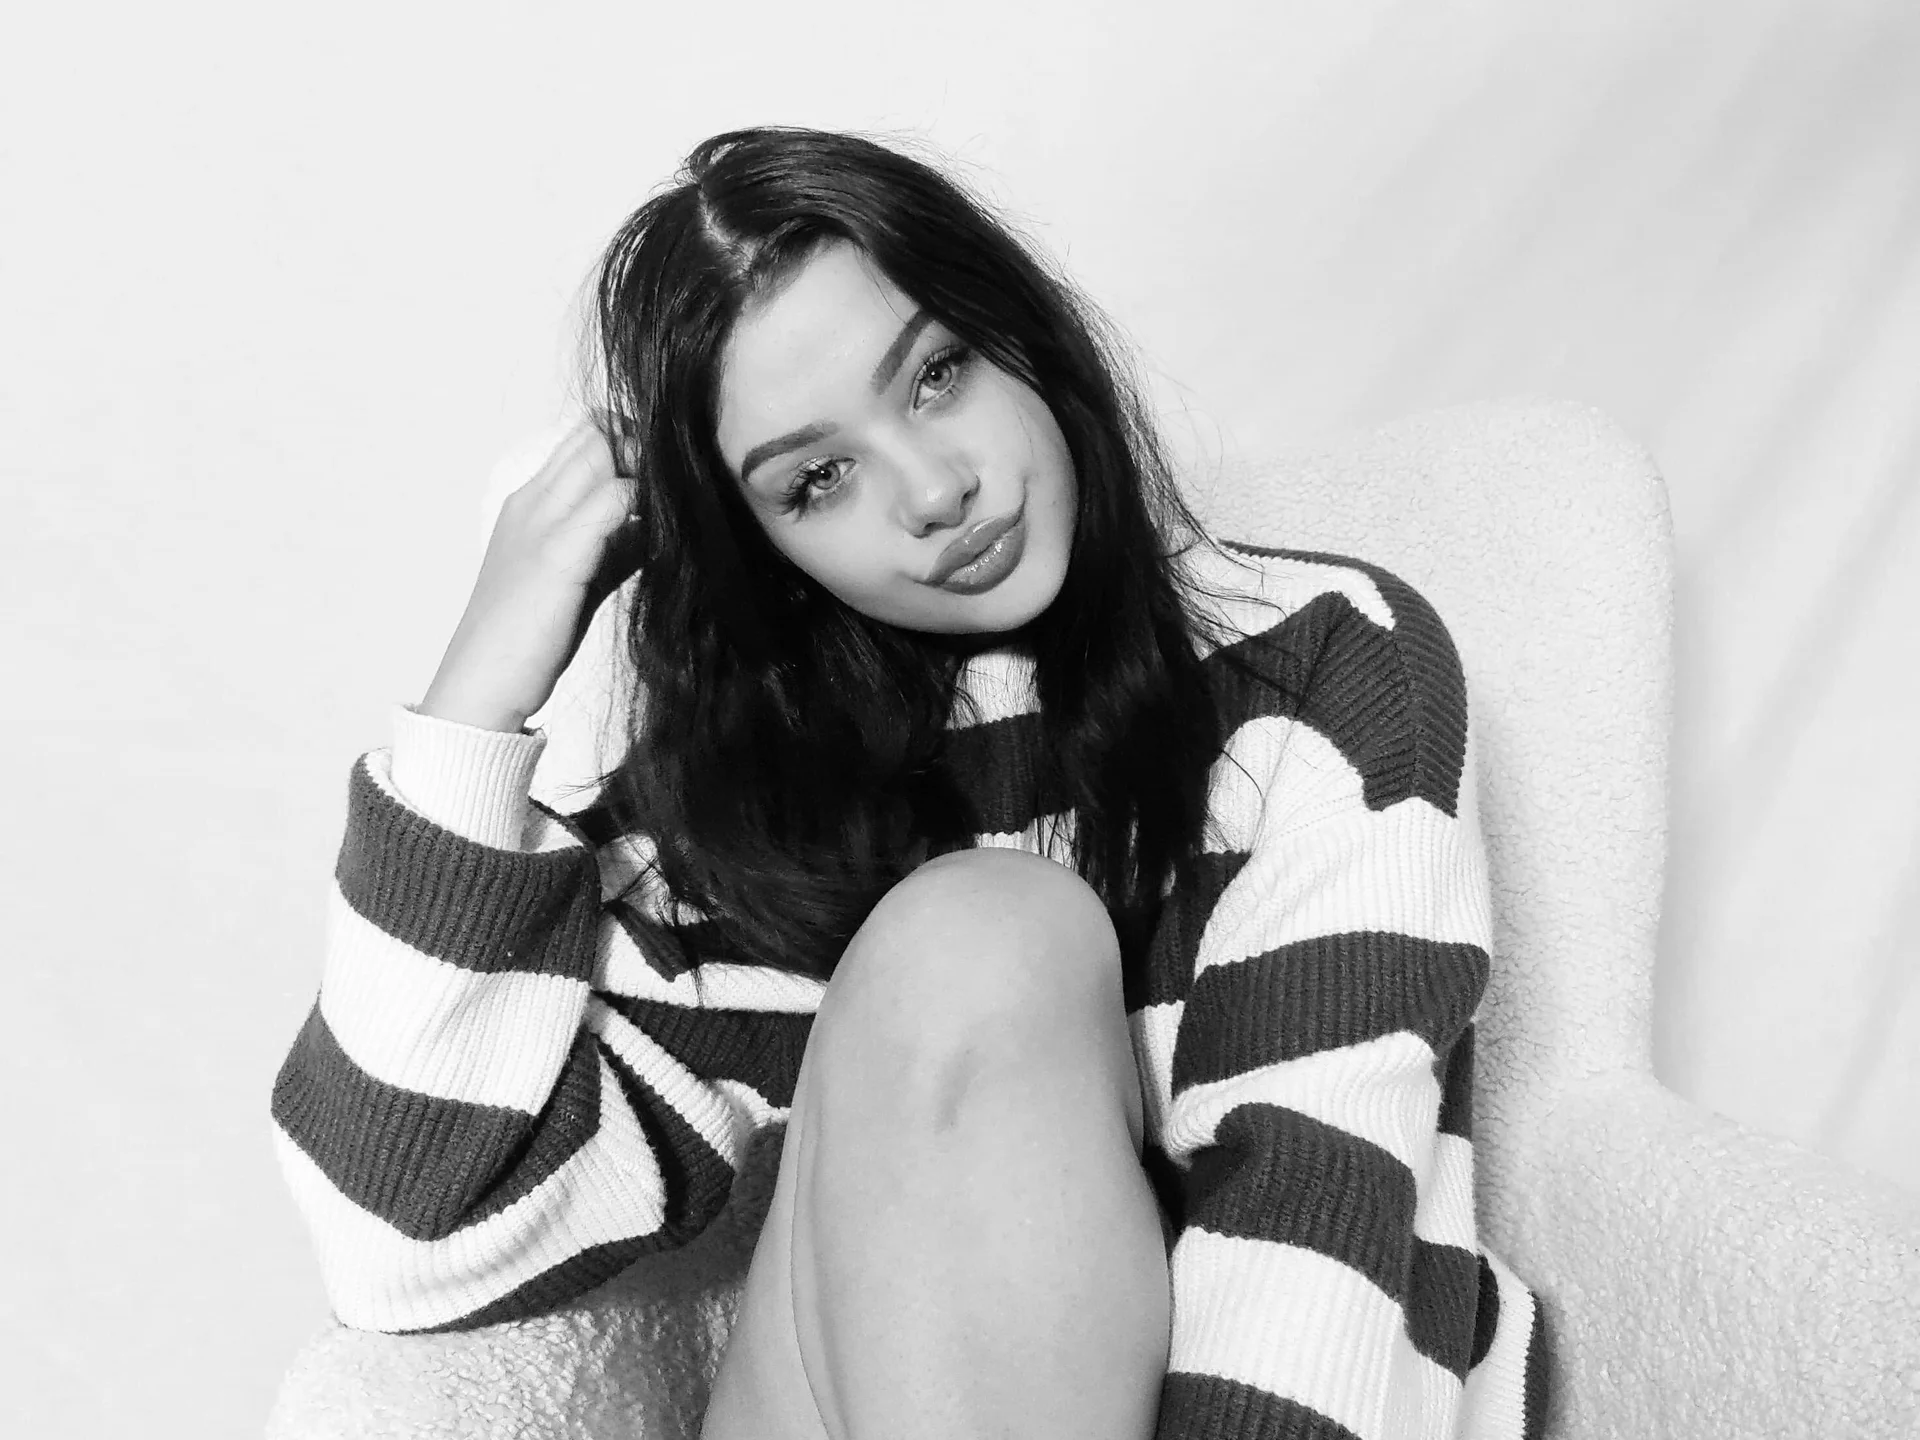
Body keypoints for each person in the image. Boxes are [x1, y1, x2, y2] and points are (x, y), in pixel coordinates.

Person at [271, 126, 1550, 1440]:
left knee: (988, 930)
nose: (935, 491)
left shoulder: (1322, 668)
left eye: (937, 374)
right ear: (760, 547)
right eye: (819, 479)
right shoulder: (777, 819)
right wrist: (476, 700)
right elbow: (401, 1237)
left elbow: (1318, 1223)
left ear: (1021, 335)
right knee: (974, 930)